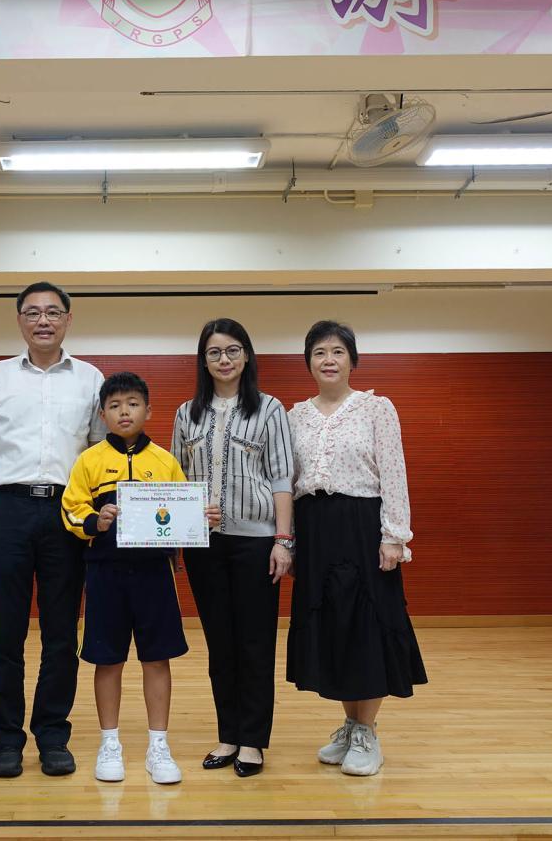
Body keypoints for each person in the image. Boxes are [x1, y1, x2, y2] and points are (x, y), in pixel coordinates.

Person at [0, 282, 105, 778]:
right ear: (20, 320)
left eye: (52, 312)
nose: (43, 320)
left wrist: (95, 517)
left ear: (68, 319)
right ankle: (6, 740)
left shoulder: (90, 378)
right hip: (7, 509)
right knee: (5, 633)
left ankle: (51, 735)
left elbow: (98, 454)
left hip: (67, 513)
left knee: (61, 633)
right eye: (32, 312)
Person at [286, 320, 427, 777]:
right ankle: (350, 725)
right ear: (308, 362)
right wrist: (289, 539)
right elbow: (287, 481)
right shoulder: (294, 416)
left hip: (363, 525)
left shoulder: (376, 408)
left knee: (367, 624)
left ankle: (368, 732)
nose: (328, 360)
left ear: (352, 360)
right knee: (335, 627)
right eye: (319, 352)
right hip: (315, 528)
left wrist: (394, 535)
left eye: (337, 352)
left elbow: (394, 472)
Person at [61, 371, 201, 785]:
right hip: (105, 574)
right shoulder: (89, 460)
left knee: (157, 657)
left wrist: (200, 518)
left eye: (133, 404)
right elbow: (71, 509)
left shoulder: (165, 461)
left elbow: (182, 516)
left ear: (148, 411)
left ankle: (159, 746)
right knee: (108, 659)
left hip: (155, 575)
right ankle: (110, 743)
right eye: (115, 405)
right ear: (102, 415)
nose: (125, 412)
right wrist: (95, 521)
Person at [170, 318, 293, 778]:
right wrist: (181, 530)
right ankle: (228, 734)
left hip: (256, 543)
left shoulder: (270, 409)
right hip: (204, 546)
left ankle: (253, 740)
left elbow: (282, 478)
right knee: (220, 644)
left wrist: (283, 540)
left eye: (233, 351)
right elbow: (175, 480)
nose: (224, 360)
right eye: (214, 352)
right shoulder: (187, 413)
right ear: (203, 361)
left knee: (255, 643)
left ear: (246, 356)